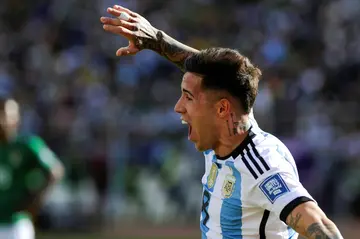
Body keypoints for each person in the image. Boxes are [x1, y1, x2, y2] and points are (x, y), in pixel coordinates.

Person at [100, 5, 343, 239]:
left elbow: (320, 225)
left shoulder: (260, 165)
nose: (178, 107)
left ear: (222, 109)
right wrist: (156, 40)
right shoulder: (226, 131)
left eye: (188, 97)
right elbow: (219, 77)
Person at [0, 98, 64, 239]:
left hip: (15, 225)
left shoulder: (27, 145)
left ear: (16, 118)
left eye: (6, 114)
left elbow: (55, 170)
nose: (2, 120)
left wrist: (36, 201)